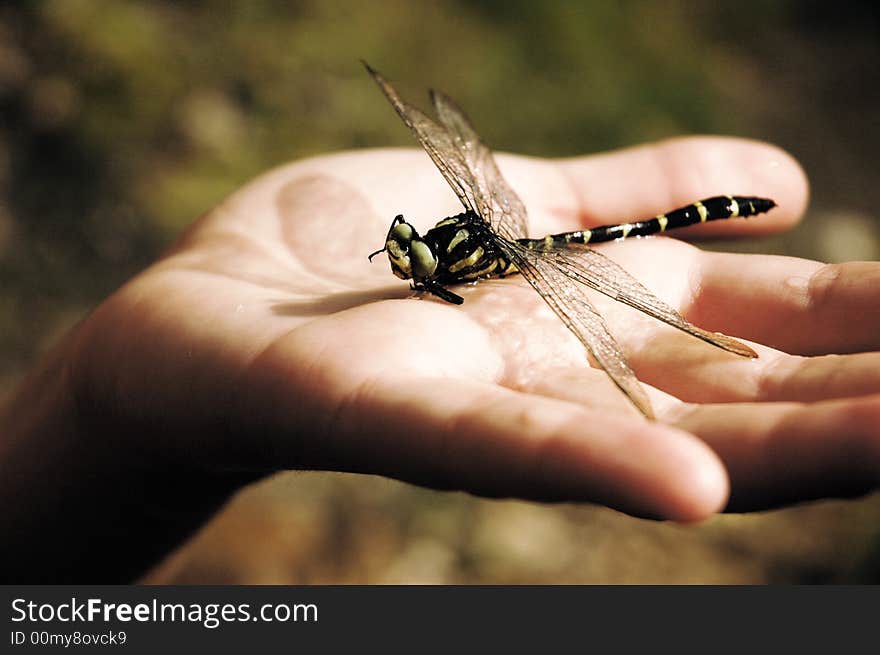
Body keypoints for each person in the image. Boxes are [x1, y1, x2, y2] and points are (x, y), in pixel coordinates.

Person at [2, 136, 878, 583]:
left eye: (418, 256)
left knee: (639, 252)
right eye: (412, 251)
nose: (409, 252)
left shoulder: (493, 257)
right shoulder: (430, 245)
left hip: (565, 241)